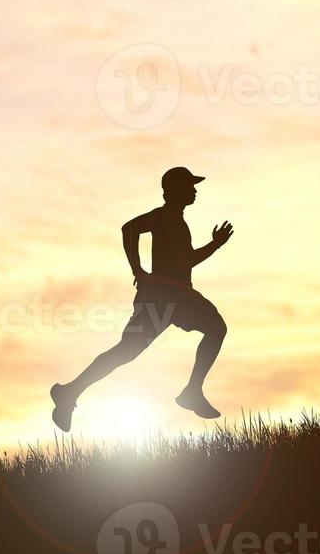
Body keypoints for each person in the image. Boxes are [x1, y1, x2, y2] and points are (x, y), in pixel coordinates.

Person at [50, 167, 232, 431]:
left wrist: (138, 269)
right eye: (189, 187)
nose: (194, 191)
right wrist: (214, 244)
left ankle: (70, 392)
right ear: (174, 191)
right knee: (128, 350)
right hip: (165, 297)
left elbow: (130, 230)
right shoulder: (167, 218)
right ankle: (69, 392)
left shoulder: (171, 219)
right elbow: (173, 252)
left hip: (174, 296)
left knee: (211, 329)